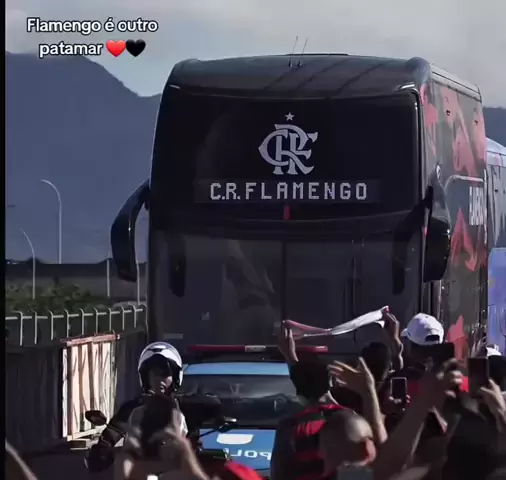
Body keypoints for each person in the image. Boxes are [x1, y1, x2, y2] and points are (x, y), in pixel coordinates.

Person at [86, 341, 186, 472]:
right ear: (145, 376)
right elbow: (111, 435)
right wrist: (102, 451)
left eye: (165, 373)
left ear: (175, 376)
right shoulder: (131, 409)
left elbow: (200, 438)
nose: (159, 379)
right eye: (154, 373)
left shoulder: (185, 407)